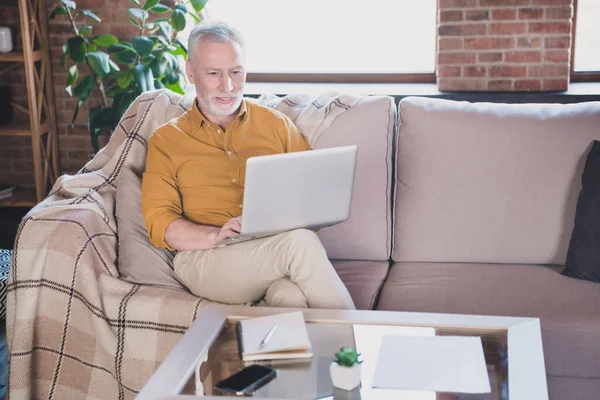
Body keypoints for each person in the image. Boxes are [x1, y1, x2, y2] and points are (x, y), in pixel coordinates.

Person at [141, 20, 355, 310]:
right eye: (214, 73)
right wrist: (215, 235)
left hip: (269, 252)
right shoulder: (166, 139)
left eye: (235, 72)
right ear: (191, 72)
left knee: (290, 296)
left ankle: (300, 355)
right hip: (206, 258)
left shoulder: (275, 125)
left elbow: (310, 197)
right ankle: (359, 347)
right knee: (299, 244)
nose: (227, 86)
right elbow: (161, 223)